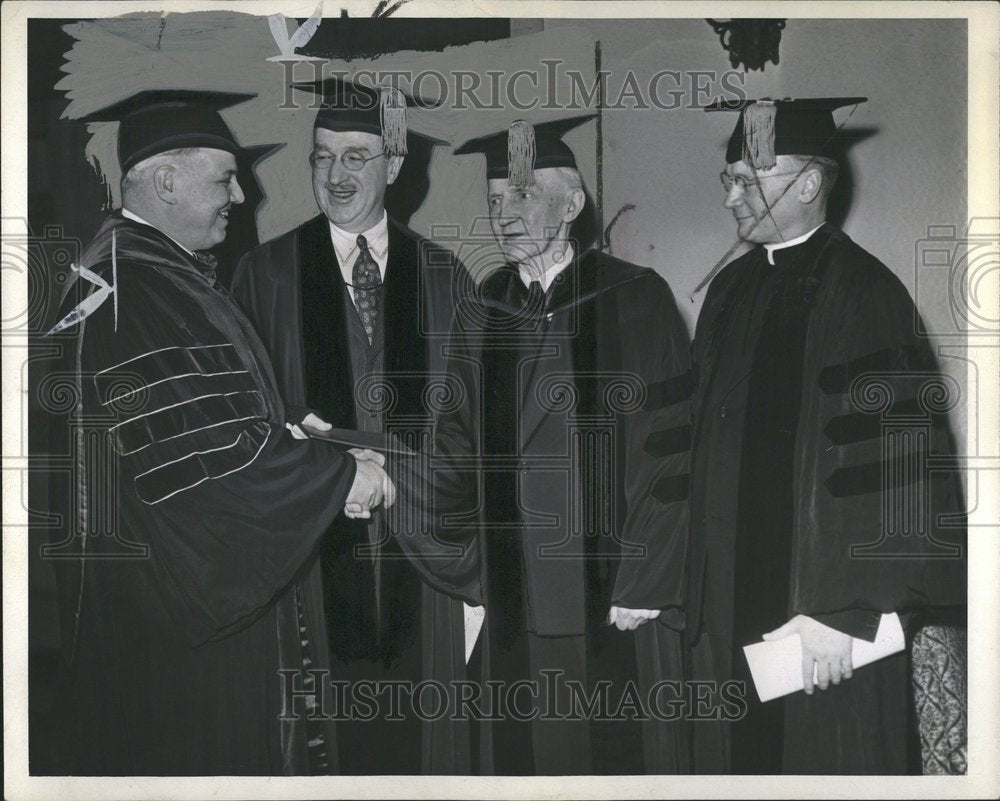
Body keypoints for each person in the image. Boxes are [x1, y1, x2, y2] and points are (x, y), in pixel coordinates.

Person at [44, 90, 393, 775]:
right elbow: (206, 466)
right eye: (224, 177)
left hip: (134, 599)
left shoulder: (119, 274)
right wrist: (344, 475)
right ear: (166, 179)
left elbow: (196, 426)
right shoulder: (142, 289)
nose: (242, 193)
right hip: (177, 625)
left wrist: (297, 440)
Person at [687, 97, 967, 774]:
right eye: (727, 179)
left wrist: (847, 608)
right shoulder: (728, 292)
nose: (730, 196)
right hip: (732, 596)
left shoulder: (868, 293)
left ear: (809, 184)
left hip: (820, 615)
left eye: (748, 179)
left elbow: (898, 464)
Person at [232, 78, 474, 774]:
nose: (335, 175)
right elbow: (247, 419)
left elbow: (468, 424)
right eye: (322, 156)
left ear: (393, 166)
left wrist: (408, 482)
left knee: (418, 737)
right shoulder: (266, 272)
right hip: (311, 546)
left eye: (356, 157)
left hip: (417, 542)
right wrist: (322, 476)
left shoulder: (443, 274)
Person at [437, 116, 692, 775]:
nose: (504, 216)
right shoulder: (483, 306)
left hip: (610, 590)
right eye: (494, 201)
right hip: (511, 585)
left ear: (572, 204)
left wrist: (646, 575)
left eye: (522, 195)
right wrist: (465, 567)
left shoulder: (636, 297)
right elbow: (456, 444)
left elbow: (673, 450)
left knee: (607, 755)